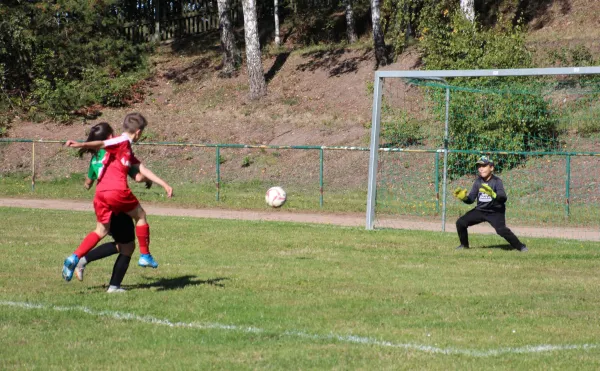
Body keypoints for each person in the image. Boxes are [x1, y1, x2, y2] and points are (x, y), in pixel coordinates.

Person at [62, 113, 173, 283]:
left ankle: (75, 257)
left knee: (101, 231)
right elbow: (104, 143)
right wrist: (80, 144)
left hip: (101, 194)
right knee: (141, 216)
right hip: (117, 191)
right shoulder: (121, 142)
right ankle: (145, 255)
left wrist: (164, 184)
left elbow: (141, 170)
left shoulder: (125, 150)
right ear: (138, 132)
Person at [453, 155, 528, 252]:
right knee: (460, 222)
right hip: (480, 210)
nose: (481, 169)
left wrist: (494, 194)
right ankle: (464, 245)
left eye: (484, 166)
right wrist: (464, 198)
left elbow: (503, 198)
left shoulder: (497, 181)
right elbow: (471, 199)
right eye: (479, 166)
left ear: (491, 168)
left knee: (501, 230)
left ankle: (521, 247)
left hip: (495, 211)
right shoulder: (478, 181)